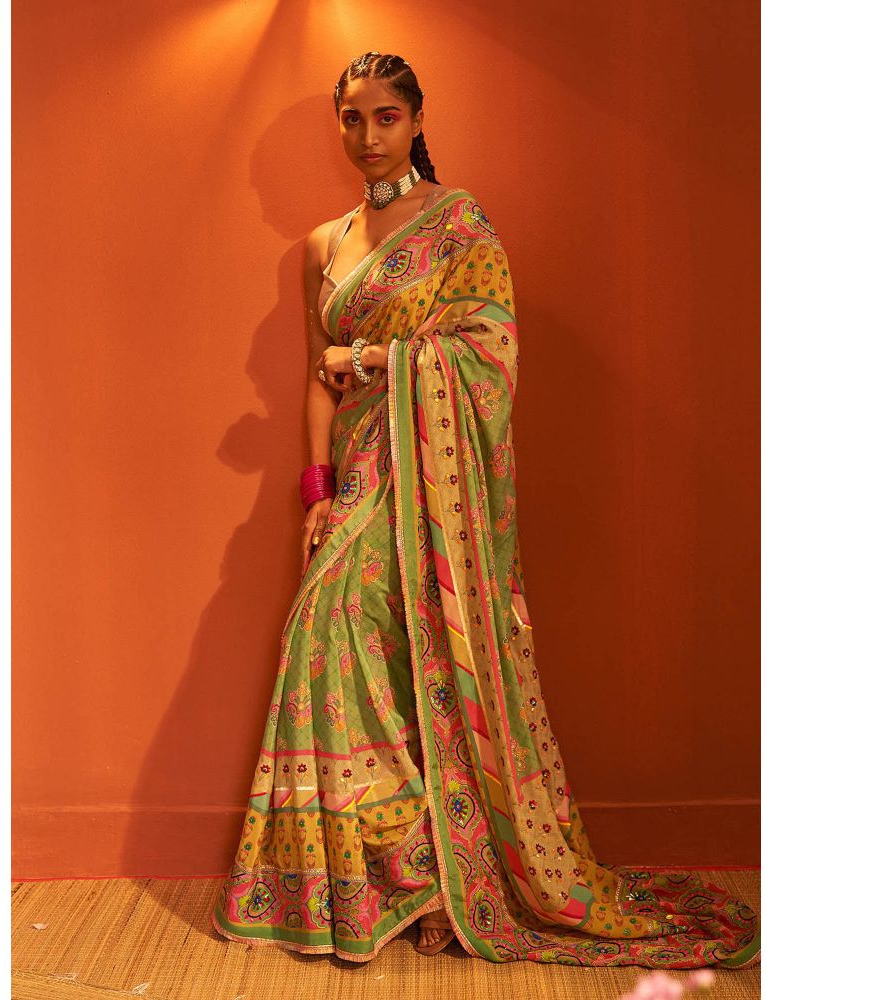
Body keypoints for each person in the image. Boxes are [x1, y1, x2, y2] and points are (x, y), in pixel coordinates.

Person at [211, 51, 760, 969]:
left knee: (429, 651)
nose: (368, 136)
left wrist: (377, 360)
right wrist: (317, 492)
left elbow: (490, 353)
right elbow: (316, 377)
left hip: (440, 486)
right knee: (331, 634)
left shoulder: (459, 225)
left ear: (417, 120)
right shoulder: (321, 246)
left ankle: (444, 876)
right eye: (351, 118)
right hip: (363, 475)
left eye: (386, 116)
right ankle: (388, 873)